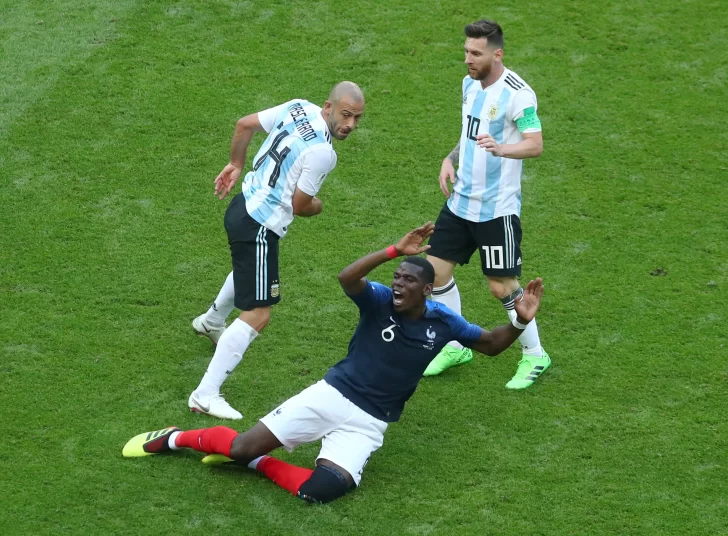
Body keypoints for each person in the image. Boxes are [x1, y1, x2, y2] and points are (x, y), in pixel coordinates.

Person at [123, 223, 546, 504]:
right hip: (332, 395)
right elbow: (348, 278)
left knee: (321, 491)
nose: (398, 283)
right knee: (238, 446)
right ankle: (176, 438)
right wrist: (392, 251)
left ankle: (259, 463)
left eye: (408, 280)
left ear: (427, 290)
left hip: (371, 421)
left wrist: (519, 321)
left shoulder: (444, 321)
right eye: (397, 276)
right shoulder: (379, 301)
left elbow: (491, 345)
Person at [188, 82, 365, 419]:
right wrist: (319, 206)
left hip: (243, 204)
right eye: (346, 115)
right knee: (259, 314)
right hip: (260, 225)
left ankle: (211, 321)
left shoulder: (297, 106)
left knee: (249, 271)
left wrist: (235, 163)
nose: (351, 124)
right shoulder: (323, 153)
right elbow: (301, 205)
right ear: (328, 107)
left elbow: (244, 124)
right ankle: (205, 394)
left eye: (357, 118)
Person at [422, 20, 550, 389]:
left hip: (496, 209)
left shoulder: (518, 95)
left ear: (497, 54)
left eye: (476, 53)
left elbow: (535, 144)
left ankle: (535, 355)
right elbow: (468, 133)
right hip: (460, 202)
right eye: (466, 51)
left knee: (502, 286)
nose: (468, 59)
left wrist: (502, 148)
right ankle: (455, 345)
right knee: (435, 273)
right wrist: (450, 158)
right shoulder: (469, 84)